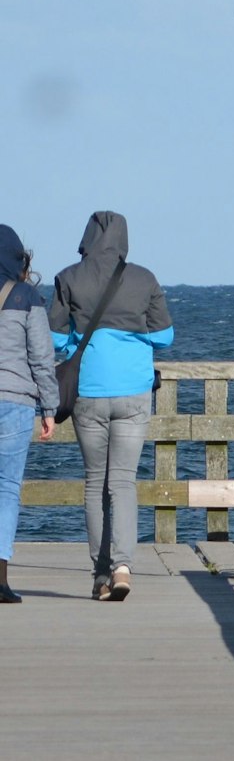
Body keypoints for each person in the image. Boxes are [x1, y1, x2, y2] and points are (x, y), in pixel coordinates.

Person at [49, 210, 173, 602]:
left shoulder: (69, 277)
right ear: (124, 238)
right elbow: (166, 336)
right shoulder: (143, 278)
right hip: (133, 390)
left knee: (93, 483)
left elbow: (52, 336)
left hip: (89, 389)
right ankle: (122, 566)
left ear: (87, 237)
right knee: (122, 481)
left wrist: (76, 343)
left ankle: (100, 573)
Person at [0, 225, 58, 604]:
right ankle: (0, 579)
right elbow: (41, 357)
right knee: (6, 490)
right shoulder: (27, 296)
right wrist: (49, 408)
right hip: (14, 403)